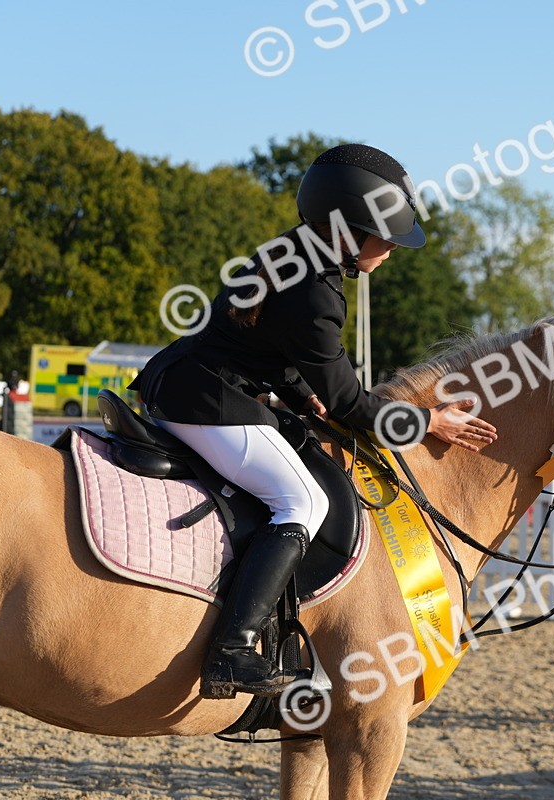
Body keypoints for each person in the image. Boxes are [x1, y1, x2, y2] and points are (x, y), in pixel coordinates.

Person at [130, 144, 498, 699]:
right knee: (302, 501)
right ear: (349, 230)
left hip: (185, 383)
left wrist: (304, 396)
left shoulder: (290, 253)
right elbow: (349, 400)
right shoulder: (317, 291)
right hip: (208, 403)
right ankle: (232, 651)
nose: (393, 248)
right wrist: (427, 421)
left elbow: (271, 349)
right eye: (385, 235)